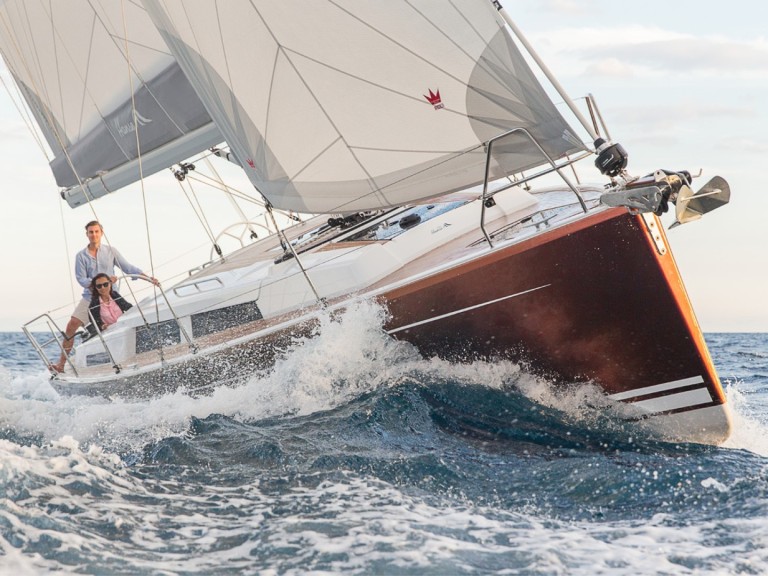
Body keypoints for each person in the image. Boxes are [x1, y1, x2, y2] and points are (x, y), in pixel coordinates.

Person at [50, 220, 159, 373]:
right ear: (87, 234)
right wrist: (103, 281)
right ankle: (61, 365)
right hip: (90, 297)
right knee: (71, 325)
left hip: (111, 296)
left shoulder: (111, 251)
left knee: (131, 319)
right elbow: (81, 279)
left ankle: (143, 356)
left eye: (96, 231)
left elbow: (128, 267)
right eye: (90, 232)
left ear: (101, 233)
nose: (93, 234)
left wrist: (148, 278)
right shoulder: (80, 256)